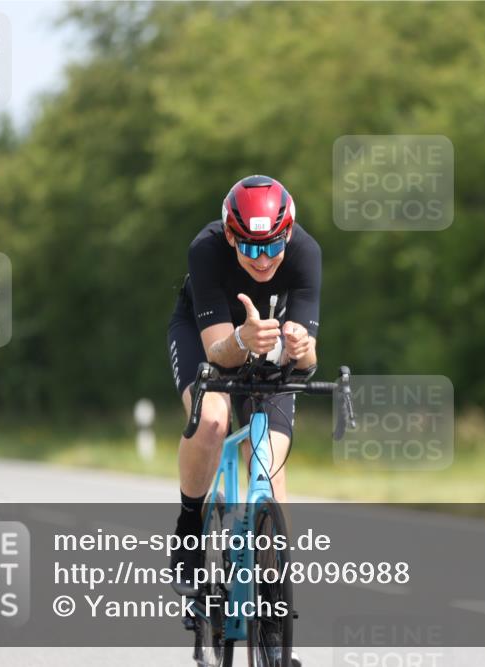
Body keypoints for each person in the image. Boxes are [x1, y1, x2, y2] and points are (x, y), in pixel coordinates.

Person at [166, 174, 321, 575]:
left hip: (270, 340)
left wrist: (301, 347)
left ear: (287, 235)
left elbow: (308, 362)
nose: (264, 259)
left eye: (273, 245)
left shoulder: (306, 252)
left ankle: (273, 587)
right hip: (210, 336)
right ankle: (189, 528)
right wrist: (243, 337)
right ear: (232, 238)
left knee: (267, 457)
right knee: (213, 423)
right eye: (251, 246)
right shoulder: (206, 249)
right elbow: (219, 354)